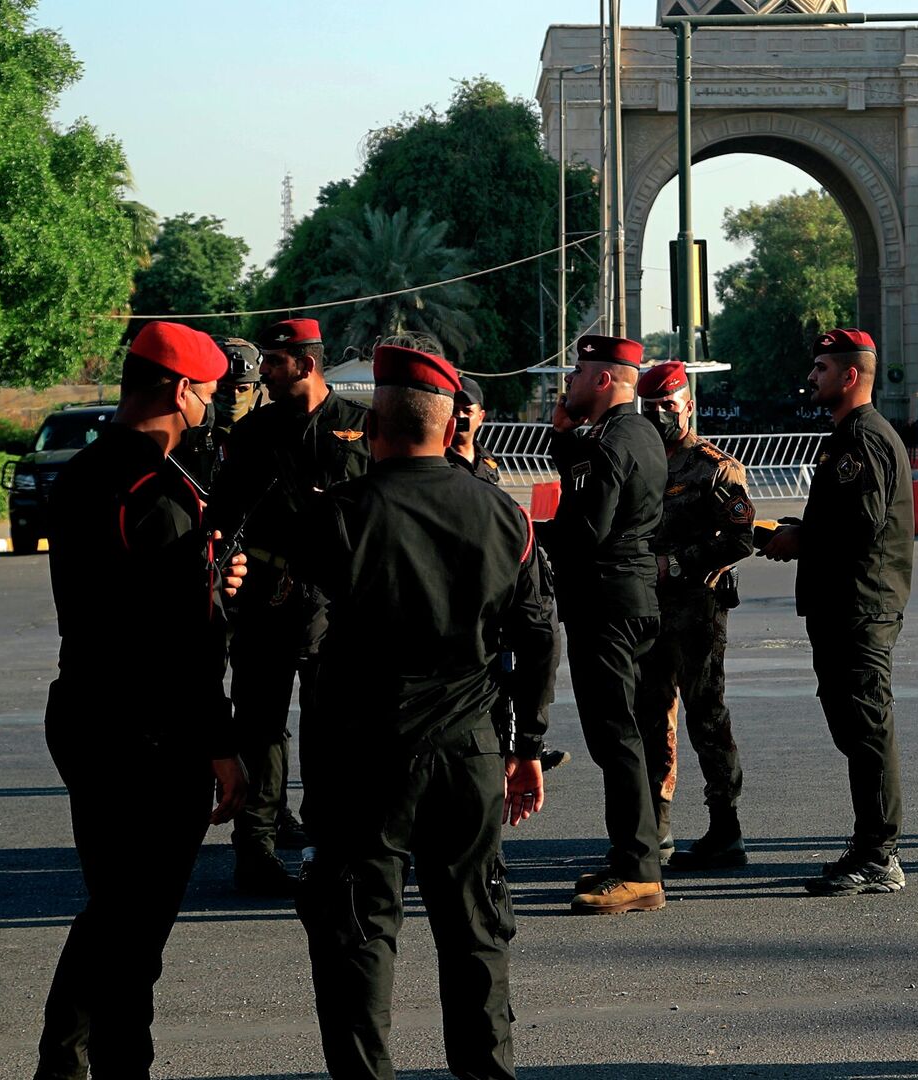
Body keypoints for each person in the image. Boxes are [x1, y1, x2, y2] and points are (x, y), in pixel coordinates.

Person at [294, 343, 556, 1080]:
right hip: (469, 748)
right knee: (475, 929)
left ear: (373, 427)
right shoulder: (505, 516)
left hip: (362, 751)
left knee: (358, 934)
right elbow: (538, 633)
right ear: (449, 426)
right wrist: (527, 742)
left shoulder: (339, 516)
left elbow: (293, 625)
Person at [34, 320, 250, 1080]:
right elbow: (182, 642)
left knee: (119, 909)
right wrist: (221, 743)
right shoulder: (157, 491)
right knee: (133, 919)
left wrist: (206, 585)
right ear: (181, 389)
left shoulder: (87, 471)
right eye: (211, 392)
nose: (214, 406)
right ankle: (86, 1065)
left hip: (87, 707)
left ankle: (92, 1063)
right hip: (148, 729)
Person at [211, 317, 371, 895]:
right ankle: (254, 850)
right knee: (259, 727)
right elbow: (223, 512)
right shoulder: (253, 433)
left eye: (274, 363)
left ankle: (331, 847)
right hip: (267, 598)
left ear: (305, 363)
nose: (263, 374)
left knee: (333, 729)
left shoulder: (361, 426)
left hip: (337, 602)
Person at [758, 328, 916, 896]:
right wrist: (800, 532)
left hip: (859, 605)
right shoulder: (850, 435)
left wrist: (802, 539)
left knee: (868, 728)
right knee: (854, 727)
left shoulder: (863, 440)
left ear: (850, 375)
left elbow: (861, 526)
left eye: (822, 368)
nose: (812, 377)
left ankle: (879, 856)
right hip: (844, 604)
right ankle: (870, 844)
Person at [544, 333, 668, 915]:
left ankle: (640, 871)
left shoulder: (609, 444)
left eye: (576, 374)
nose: (568, 384)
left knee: (615, 738)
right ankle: (631, 856)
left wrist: (523, 535)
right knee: (627, 736)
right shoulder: (640, 434)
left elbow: (584, 530)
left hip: (606, 601)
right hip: (633, 596)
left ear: (601, 379)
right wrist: (565, 438)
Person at [632, 359, 756, 871]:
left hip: (697, 613)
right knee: (651, 718)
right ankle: (655, 828)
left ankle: (725, 827)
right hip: (647, 614)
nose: (659, 414)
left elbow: (741, 538)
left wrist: (676, 563)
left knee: (707, 718)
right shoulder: (639, 463)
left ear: (687, 404)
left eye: (667, 405)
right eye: (650, 407)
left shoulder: (713, 467)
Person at [449, 375, 575, 775]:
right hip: (462, 590)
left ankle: (516, 746)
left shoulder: (486, 462)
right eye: (455, 411)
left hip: (500, 588)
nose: (462, 418)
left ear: (481, 416)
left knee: (515, 672)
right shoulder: (438, 464)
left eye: (468, 411)